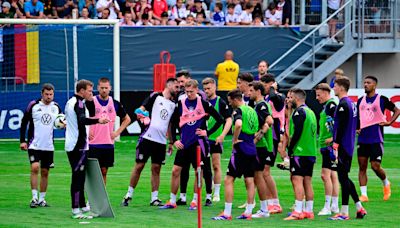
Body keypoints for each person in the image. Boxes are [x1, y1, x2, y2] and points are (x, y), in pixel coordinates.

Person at [160, 79, 224, 209]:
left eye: (191, 91)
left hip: (198, 144)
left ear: (196, 90)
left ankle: (195, 200)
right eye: (187, 91)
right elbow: (172, 123)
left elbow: (220, 119)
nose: (189, 94)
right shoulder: (181, 103)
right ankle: (172, 201)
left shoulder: (203, 103)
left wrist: (207, 132)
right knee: (175, 171)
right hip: (184, 144)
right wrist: (175, 140)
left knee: (197, 172)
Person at [122, 78, 179, 206]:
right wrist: (143, 116)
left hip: (160, 142)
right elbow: (139, 110)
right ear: (168, 85)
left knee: (156, 168)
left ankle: (154, 198)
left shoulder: (173, 104)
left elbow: (170, 124)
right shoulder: (155, 96)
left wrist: (170, 142)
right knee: (139, 166)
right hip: (147, 137)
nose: (178, 89)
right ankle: (128, 195)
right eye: (176, 87)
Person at [64, 79, 109, 219]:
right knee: (77, 178)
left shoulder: (73, 101)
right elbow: (82, 120)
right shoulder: (78, 103)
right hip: (78, 147)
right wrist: (98, 120)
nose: (92, 93)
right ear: (82, 91)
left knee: (81, 177)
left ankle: (82, 206)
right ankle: (75, 209)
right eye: (89, 91)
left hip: (79, 146)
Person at [212, 89, 259, 220]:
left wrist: (235, 139)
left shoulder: (238, 110)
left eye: (230, 101)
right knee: (249, 180)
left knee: (228, 180)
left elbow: (238, 124)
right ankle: (248, 212)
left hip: (241, 149)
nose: (229, 104)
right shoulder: (251, 110)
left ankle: (227, 213)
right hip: (251, 147)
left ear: (235, 99)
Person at [329, 76, 367, 220]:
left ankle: (344, 213)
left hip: (343, 146)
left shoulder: (343, 105)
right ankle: (359, 208)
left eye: (335, 86)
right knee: (344, 177)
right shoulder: (352, 104)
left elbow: (341, 127)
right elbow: (357, 124)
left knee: (343, 178)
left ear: (341, 87)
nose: (334, 88)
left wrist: (336, 144)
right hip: (349, 145)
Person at [357, 76, 400, 202]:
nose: (365, 84)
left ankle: (386, 183)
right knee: (362, 166)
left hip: (376, 139)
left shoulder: (382, 99)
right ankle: (364, 195)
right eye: (364, 82)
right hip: (362, 139)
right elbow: (358, 118)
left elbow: (397, 110)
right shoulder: (360, 101)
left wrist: (389, 122)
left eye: (368, 83)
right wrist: (357, 128)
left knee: (375, 166)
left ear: (374, 85)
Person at [20, 84, 62, 208]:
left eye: (51, 94)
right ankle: (34, 198)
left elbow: (60, 122)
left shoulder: (56, 107)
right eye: (46, 94)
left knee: (45, 172)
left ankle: (42, 199)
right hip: (34, 144)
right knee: (35, 167)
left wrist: (62, 124)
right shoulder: (33, 105)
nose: (49, 97)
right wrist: (23, 140)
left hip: (48, 146)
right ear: (42, 94)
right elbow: (24, 122)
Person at [86, 77, 131, 185]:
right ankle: (90, 200)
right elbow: (83, 118)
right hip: (93, 143)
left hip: (108, 143)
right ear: (98, 88)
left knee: (104, 172)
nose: (104, 90)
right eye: (102, 88)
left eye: (106, 88)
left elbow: (127, 119)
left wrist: (117, 132)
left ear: (110, 88)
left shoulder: (115, 103)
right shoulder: (90, 102)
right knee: (92, 173)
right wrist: (87, 131)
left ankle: (101, 199)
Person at [284, 88, 317, 220]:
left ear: (296, 98)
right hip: (310, 151)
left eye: (291, 97)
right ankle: (308, 211)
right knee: (307, 181)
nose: (288, 99)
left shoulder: (299, 112)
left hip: (300, 151)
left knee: (297, 180)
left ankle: (298, 211)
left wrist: (290, 148)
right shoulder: (311, 112)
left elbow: (297, 133)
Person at [202, 78, 233, 202]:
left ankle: (217, 193)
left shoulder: (221, 102)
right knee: (203, 166)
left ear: (215, 87)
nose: (207, 91)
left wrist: (223, 135)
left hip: (215, 139)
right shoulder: (202, 102)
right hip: (203, 138)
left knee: (216, 165)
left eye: (209, 88)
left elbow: (228, 119)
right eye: (205, 89)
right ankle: (205, 192)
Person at [248, 82, 275, 218]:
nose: (249, 93)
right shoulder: (257, 105)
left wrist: (258, 137)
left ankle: (264, 209)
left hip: (261, 146)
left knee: (259, 177)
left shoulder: (261, 105)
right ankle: (261, 207)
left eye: (251, 90)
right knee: (257, 177)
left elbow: (270, 121)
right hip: (259, 146)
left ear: (258, 91)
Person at [315, 83, 340, 215]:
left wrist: (333, 138)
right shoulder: (328, 106)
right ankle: (334, 206)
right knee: (332, 175)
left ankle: (327, 207)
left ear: (326, 93)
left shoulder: (331, 105)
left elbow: (338, 123)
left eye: (319, 95)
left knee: (325, 175)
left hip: (329, 146)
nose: (317, 98)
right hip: (327, 145)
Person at [260, 75, 287, 172]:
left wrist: (272, 88)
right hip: (266, 132)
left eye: (264, 85)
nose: (262, 88)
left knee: (265, 171)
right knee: (261, 170)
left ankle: (287, 160)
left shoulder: (280, 97)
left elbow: (273, 96)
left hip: (274, 134)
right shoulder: (266, 97)